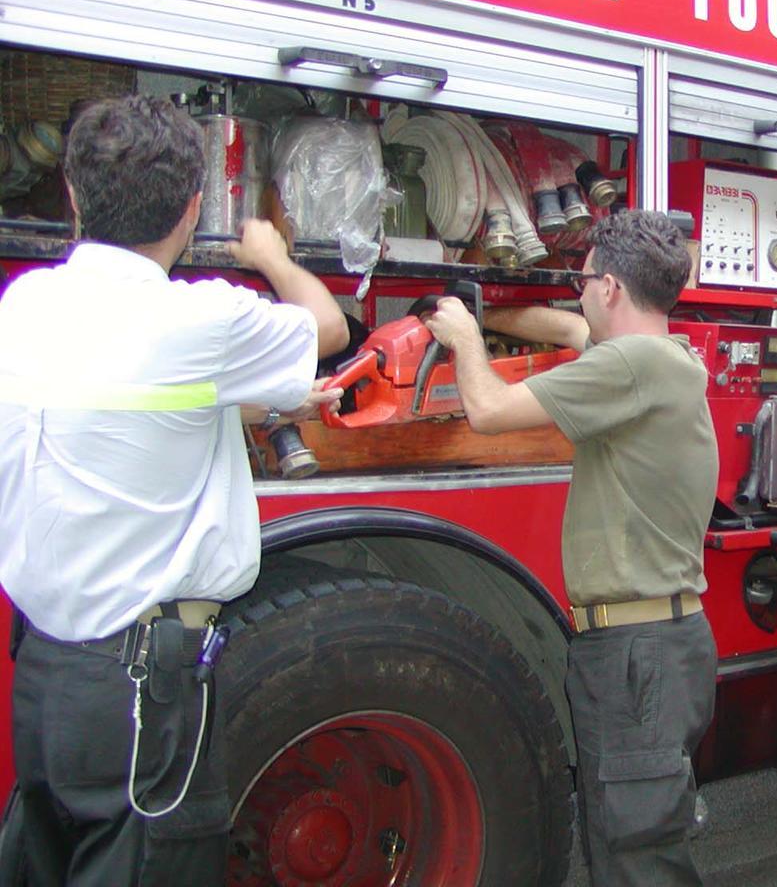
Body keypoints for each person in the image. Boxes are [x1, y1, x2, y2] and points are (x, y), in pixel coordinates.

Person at [0, 94, 348, 885]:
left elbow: (125, 400)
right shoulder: (203, 319)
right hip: (141, 692)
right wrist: (270, 256)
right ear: (195, 208)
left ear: (72, 193)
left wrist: (246, 398)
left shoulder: (25, 304)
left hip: (48, 676)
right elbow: (327, 327)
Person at [424, 210, 718, 886]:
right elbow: (563, 327)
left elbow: (489, 411)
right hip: (653, 649)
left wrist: (467, 339)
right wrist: (485, 304)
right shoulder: (659, 357)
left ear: (611, 288)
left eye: (584, 280)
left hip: (636, 659)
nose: (577, 292)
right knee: (626, 844)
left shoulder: (631, 364)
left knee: (639, 859)